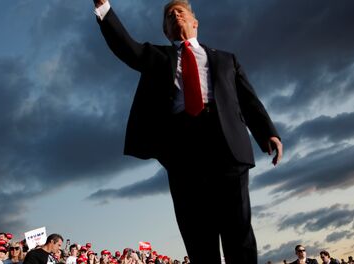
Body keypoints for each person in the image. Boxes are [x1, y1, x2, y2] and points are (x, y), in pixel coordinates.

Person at [91, 0, 282, 263]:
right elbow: (126, 47)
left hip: (227, 145)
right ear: (166, 32)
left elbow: (248, 100)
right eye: (170, 15)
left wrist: (267, 132)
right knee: (198, 235)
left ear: (195, 22)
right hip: (183, 149)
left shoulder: (227, 59)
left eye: (181, 11)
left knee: (238, 230)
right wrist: (104, 8)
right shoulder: (157, 57)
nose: (175, 15)